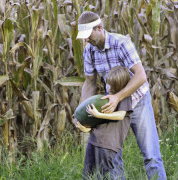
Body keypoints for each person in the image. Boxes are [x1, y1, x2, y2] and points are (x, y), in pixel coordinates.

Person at [75, 11, 167, 180]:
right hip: (114, 104)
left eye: (88, 35)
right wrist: (82, 114)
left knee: (151, 155)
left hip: (137, 101)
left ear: (100, 28)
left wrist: (118, 97)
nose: (86, 39)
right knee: (112, 154)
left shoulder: (121, 43)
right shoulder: (89, 51)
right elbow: (89, 82)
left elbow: (141, 76)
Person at [73, 66, 133, 180]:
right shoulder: (106, 97)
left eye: (113, 85)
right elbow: (98, 121)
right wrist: (85, 126)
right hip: (95, 140)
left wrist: (98, 114)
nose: (109, 87)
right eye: (108, 84)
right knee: (88, 175)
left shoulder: (124, 98)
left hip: (108, 145)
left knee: (107, 176)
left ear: (121, 86)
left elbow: (120, 115)